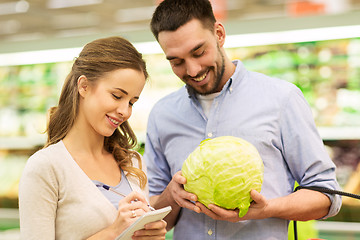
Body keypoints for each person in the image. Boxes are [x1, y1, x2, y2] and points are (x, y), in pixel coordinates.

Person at [144, 0, 342, 239]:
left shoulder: (281, 99)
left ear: (219, 34)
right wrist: (170, 196)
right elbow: (154, 219)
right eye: (177, 61)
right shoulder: (162, 115)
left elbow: (327, 195)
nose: (193, 69)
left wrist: (266, 209)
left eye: (199, 52)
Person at [19, 36, 167, 240]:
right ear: (84, 86)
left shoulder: (133, 163)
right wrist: (114, 232)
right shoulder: (46, 168)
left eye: (132, 102)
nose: (125, 111)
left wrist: (151, 235)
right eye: (117, 96)